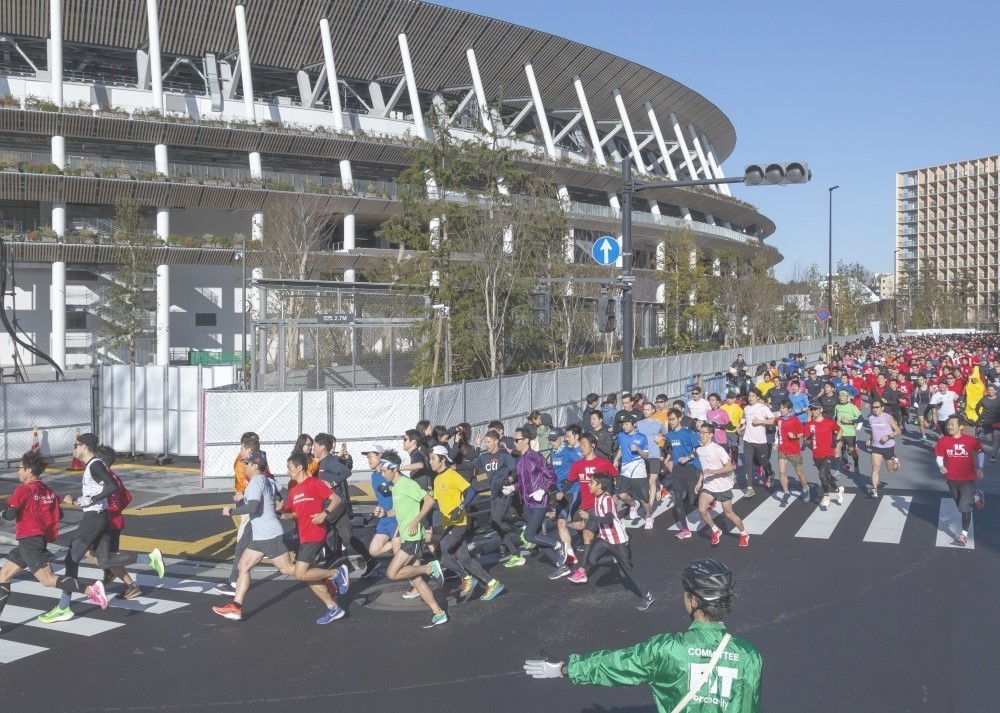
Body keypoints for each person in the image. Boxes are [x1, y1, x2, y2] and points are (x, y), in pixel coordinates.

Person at [524, 558, 762, 712]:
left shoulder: (667, 650)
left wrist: (565, 669)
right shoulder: (749, 656)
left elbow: (618, 664)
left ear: (693, 601)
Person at [41, 433, 161, 623]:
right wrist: (82, 500)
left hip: (94, 518)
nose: (74, 449)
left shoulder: (95, 464)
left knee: (71, 560)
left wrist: (93, 500)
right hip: (102, 517)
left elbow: (112, 486)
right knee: (105, 560)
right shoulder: (94, 465)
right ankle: (149, 558)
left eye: (76, 445)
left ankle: (64, 607)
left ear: (84, 447)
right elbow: (102, 491)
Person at [0, 450, 111, 631]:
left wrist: (2, 511)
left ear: (29, 470)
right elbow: (59, 513)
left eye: (19, 467)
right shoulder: (47, 490)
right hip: (34, 541)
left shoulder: (23, 489)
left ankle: (92, 590)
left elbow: (10, 515)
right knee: (3, 576)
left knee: (48, 580)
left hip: (29, 541)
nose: (18, 471)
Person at [213, 450, 298, 622]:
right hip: (260, 536)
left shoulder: (255, 483)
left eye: (247, 463)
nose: (244, 466)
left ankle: (331, 575)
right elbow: (286, 493)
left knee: (288, 570)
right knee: (243, 566)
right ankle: (236, 607)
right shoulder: (268, 480)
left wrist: (232, 512)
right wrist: (281, 507)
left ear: (255, 465)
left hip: (269, 535)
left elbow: (252, 507)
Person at [379, 450, 448, 628]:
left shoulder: (407, 484)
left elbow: (429, 500)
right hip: (405, 536)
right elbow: (398, 511)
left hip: (413, 537)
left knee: (392, 573)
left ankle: (430, 567)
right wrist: (385, 513)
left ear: (394, 468)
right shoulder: (395, 487)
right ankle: (438, 612)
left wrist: (416, 520)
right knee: (416, 580)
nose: (382, 474)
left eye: (384, 471)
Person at [281, 452, 350, 624]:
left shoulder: (314, 483)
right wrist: (281, 510)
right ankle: (333, 607)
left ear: (299, 467)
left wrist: (324, 513)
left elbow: (336, 499)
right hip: (304, 537)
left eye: (289, 467)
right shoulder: (294, 491)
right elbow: (293, 515)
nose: (287, 471)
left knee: (299, 573)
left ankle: (336, 573)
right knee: (309, 576)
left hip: (315, 534)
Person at [428, 445, 504, 601]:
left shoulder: (452, 475)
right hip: (447, 523)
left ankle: (466, 578)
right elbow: (437, 503)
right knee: (464, 559)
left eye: (433, 459)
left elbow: (472, 490)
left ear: (443, 460)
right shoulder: (437, 479)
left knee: (442, 550)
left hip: (458, 523)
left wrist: (460, 507)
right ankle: (493, 583)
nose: (430, 462)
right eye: (430, 459)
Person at [569, 473, 654, 610]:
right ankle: (615, 559)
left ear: (599, 486)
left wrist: (589, 516)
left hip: (618, 540)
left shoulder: (606, 500)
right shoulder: (597, 497)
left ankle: (647, 595)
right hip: (604, 538)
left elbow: (608, 519)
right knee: (592, 560)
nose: (588, 484)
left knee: (629, 570)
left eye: (591, 482)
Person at [315, 433, 379, 577]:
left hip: (335, 504)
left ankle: (311, 562)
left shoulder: (329, 461)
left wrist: (332, 483)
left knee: (316, 528)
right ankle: (371, 560)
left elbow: (346, 471)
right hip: (337, 505)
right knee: (348, 536)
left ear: (322, 447)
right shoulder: (322, 462)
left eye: (315, 446)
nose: (313, 448)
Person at [564, 433, 618, 583]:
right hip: (585, 504)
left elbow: (615, 475)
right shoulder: (577, 465)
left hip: (598, 505)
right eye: (580, 445)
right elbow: (570, 481)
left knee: (587, 535)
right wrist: (561, 492)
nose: (581, 448)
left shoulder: (603, 463)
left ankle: (582, 571)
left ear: (593, 446)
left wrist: (615, 493)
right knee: (578, 525)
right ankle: (608, 550)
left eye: (584, 445)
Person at [513, 427, 563, 567]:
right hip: (527, 503)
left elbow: (552, 477)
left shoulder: (535, 457)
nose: (515, 443)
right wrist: (513, 487)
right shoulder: (520, 461)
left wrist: (542, 490)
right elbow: (523, 484)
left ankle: (557, 544)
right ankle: (560, 564)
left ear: (526, 440)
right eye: (514, 440)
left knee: (529, 535)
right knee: (537, 536)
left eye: (517, 440)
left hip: (539, 502)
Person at [695, 424, 749, 548]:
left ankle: (744, 533)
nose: (701, 435)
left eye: (704, 433)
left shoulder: (718, 449)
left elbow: (729, 467)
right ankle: (715, 530)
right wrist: (699, 482)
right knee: (702, 509)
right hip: (709, 486)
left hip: (723, 487)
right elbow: (704, 469)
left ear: (711, 434)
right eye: (700, 432)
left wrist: (714, 471)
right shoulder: (699, 450)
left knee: (729, 514)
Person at [473, 430, 522, 564]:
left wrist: (509, 479)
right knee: (495, 525)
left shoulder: (504, 455)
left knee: (496, 521)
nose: (486, 444)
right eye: (485, 442)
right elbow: (473, 462)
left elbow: (515, 471)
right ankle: (516, 553)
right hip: (494, 494)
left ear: (496, 442)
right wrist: (477, 445)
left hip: (504, 492)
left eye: (488, 442)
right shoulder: (484, 457)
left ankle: (519, 532)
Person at [935, 415, 985, 546]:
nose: (949, 426)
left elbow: (980, 451)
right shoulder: (943, 441)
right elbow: (939, 456)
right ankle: (978, 497)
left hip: (968, 479)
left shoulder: (970, 440)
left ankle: (964, 535)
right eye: (948, 424)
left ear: (961, 426)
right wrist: (941, 466)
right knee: (960, 504)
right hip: (951, 478)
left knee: (964, 506)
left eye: (952, 424)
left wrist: (980, 467)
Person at [666, 409, 703, 541]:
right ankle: (685, 529)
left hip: (689, 468)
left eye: (673, 419)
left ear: (680, 419)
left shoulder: (688, 433)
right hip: (677, 470)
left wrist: (688, 458)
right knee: (678, 502)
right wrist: (668, 459)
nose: (671, 422)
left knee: (692, 498)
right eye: (669, 420)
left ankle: (704, 500)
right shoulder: (670, 435)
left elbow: (699, 449)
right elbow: (671, 448)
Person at [614, 413, 653, 528]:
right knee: (622, 495)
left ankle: (648, 516)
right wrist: (616, 459)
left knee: (644, 498)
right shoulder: (621, 436)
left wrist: (638, 449)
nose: (624, 426)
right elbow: (621, 449)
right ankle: (633, 504)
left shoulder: (642, 437)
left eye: (627, 424)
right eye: (623, 424)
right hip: (625, 470)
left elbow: (646, 455)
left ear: (633, 424)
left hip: (638, 471)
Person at [771, 399, 810, 503]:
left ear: (789, 409)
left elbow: (803, 433)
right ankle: (786, 492)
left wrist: (794, 436)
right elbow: (777, 430)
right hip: (782, 450)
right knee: (781, 471)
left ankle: (806, 488)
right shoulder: (779, 419)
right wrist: (776, 442)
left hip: (794, 451)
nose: (781, 410)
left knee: (799, 473)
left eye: (784, 408)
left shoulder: (795, 420)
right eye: (780, 408)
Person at [805, 405, 843, 509]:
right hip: (816, 455)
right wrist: (808, 438)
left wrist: (836, 440)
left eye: (815, 409)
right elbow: (806, 441)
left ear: (821, 410)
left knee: (822, 474)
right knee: (827, 475)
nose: (813, 411)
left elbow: (840, 430)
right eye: (812, 409)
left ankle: (826, 496)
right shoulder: (809, 425)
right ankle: (837, 490)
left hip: (829, 453)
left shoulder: (829, 422)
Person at [364, 444, 397, 559]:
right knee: (374, 551)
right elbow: (381, 498)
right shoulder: (374, 476)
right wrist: (379, 508)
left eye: (371, 456)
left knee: (400, 556)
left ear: (380, 456)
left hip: (395, 518)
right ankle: (404, 542)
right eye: (367, 457)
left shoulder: (390, 473)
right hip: (384, 519)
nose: (368, 460)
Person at [740, 389, 773, 497]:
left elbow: (773, 420)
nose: (750, 398)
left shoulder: (763, 408)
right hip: (748, 440)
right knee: (748, 462)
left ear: (758, 397)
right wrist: (741, 428)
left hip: (760, 441)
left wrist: (760, 421)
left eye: (753, 396)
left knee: (763, 462)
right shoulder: (746, 408)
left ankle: (770, 473)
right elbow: (746, 422)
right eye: (749, 396)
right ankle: (749, 488)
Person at [866, 398, 901, 497]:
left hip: (888, 446)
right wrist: (870, 439)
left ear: (882, 408)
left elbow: (898, 431)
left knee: (891, 469)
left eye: (877, 407)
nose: (875, 409)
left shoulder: (888, 418)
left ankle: (896, 461)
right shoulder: (871, 418)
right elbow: (874, 431)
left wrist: (888, 436)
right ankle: (874, 489)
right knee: (875, 467)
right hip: (876, 447)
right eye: (873, 407)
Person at [833, 390, 862, 475]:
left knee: (851, 451)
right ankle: (845, 465)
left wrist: (850, 421)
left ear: (847, 397)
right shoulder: (837, 406)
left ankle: (856, 464)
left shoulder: (852, 407)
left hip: (850, 434)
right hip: (840, 433)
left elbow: (861, 419)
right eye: (840, 396)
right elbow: (835, 418)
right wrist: (834, 428)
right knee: (841, 450)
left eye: (843, 396)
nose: (841, 398)